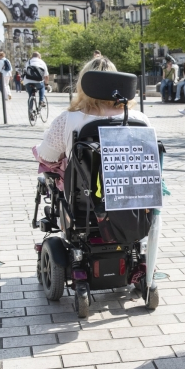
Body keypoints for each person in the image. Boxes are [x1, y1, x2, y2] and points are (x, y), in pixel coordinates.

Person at [32, 57, 162, 304]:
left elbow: (47, 156)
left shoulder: (69, 119)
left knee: (52, 173)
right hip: (131, 206)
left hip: (85, 206)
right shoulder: (140, 120)